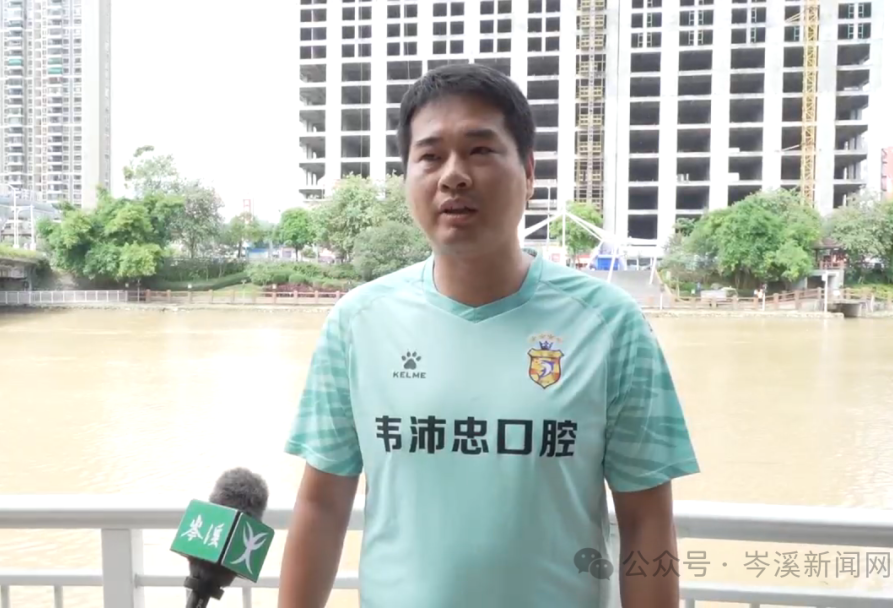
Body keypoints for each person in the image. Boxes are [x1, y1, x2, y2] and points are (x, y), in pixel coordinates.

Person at [277, 63, 699, 608]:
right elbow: (321, 507)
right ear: (407, 178)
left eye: (480, 150)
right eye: (430, 156)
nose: (453, 176)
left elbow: (647, 521)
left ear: (529, 171)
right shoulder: (357, 324)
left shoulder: (611, 325)